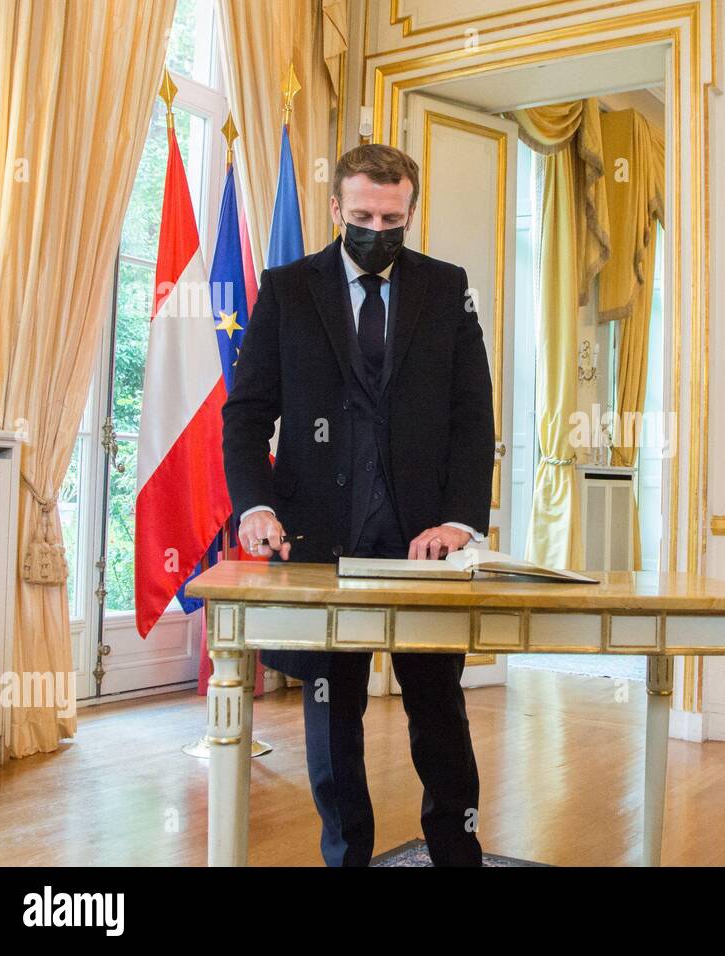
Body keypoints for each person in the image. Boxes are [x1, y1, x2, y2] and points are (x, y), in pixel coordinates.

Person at [221, 144, 495, 866]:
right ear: (337, 208)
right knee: (331, 718)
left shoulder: (447, 287)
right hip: (320, 545)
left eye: (393, 218)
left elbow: (474, 417)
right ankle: (348, 857)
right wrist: (254, 506)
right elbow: (247, 415)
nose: (378, 229)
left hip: (421, 546)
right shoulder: (287, 289)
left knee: (439, 712)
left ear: (411, 211)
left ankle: (456, 854)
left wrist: (460, 521)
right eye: (365, 215)